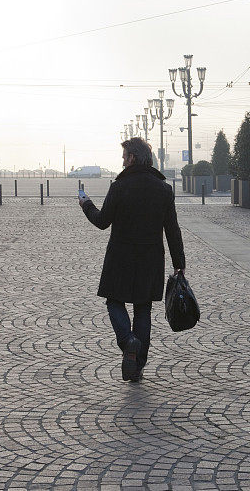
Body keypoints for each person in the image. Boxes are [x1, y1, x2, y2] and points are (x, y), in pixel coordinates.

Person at [79, 137, 185, 382]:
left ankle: (128, 342)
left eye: (125, 156)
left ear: (133, 158)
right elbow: (172, 229)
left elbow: (102, 221)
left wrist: (86, 205)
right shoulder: (163, 189)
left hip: (120, 257)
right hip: (150, 259)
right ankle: (137, 367)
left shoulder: (120, 186)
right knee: (143, 308)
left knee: (114, 301)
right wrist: (179, 262)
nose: (122, 160)